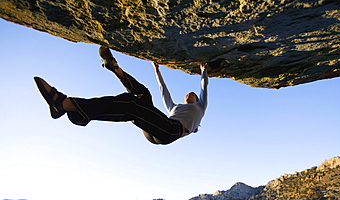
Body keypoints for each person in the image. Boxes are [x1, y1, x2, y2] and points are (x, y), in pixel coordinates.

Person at [34, 47, 209, 145]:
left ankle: (64, 104)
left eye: (192, 94)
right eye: (188, 93)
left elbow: (203, 87)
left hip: (170, 131)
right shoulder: (175, 107)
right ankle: (116, 69)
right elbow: (163, 90)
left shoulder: (200, 107)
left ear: (195, 99)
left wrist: (204, 71)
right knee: (143, 95)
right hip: (158, 125)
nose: (189, 94)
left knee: (131, 105)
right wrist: (157, 70)